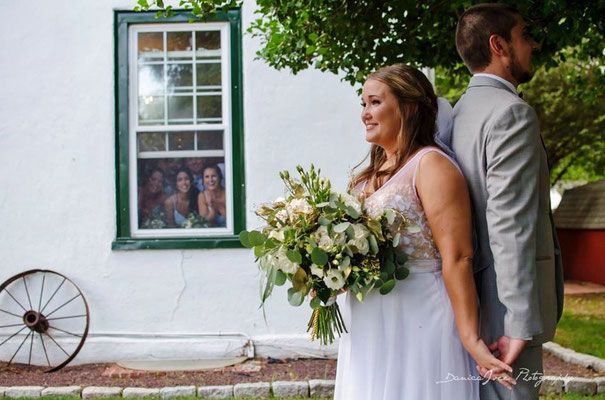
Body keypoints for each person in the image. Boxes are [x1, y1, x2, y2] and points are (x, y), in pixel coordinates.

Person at [333, 64, 513, 400]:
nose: (365, 114)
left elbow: (458, 256)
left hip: (419, 315)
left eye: (374, 102)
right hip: (370, 319)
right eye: (363, 104)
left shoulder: (432, 165)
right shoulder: (366, 176)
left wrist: (470, 338)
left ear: (408, 106)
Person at [452, 4, 564, 399]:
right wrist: (518, 323)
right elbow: (509, 224)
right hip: (504, 310)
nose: (532, 45)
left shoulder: (459, 112)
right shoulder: (511, 114)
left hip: (468, 303)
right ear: (498, 45)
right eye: (524, 36)